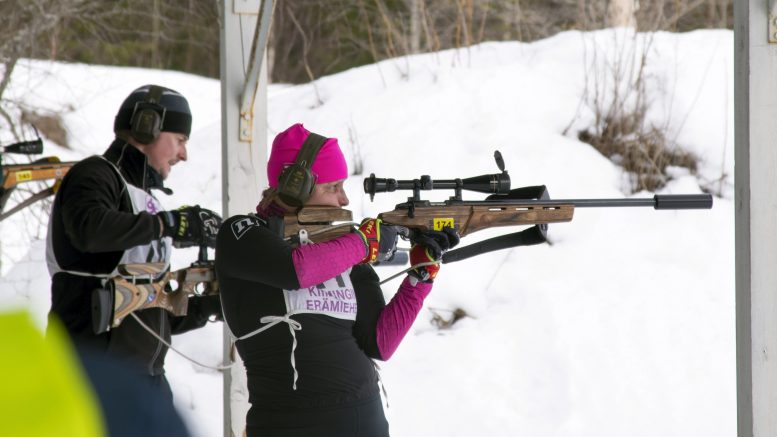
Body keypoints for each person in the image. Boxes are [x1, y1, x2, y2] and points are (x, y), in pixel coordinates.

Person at [216, 123, 459, 436]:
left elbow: (380, 343)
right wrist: (363, 243)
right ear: (295, 185)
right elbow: (294, 270)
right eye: (333, 187)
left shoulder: (344, 248)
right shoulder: (242, 234)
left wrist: (421, 276)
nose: (343, 199)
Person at [45, 84, 223, 399]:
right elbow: (90, 229)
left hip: (145, 379)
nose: (184, 154)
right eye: (180, 140)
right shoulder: (94, 175)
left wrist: (209, 304)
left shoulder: (146, 200)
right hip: (90, 376)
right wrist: (172, 225)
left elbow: (147, 310)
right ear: (147, 126)